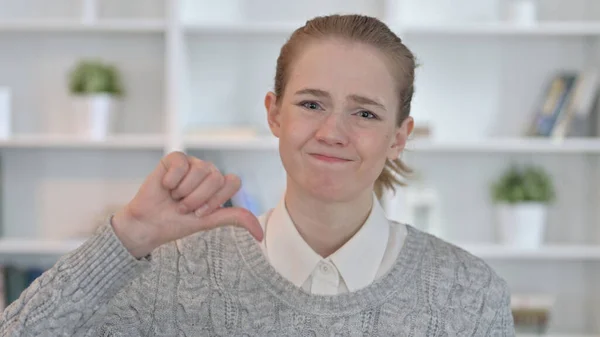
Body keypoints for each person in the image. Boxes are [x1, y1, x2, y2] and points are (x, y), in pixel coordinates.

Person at [0, 14, 515, 336]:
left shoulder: (466, 294)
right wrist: (127, 236)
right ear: (274, 113)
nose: (333, 132)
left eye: (365, 113)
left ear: (399, 136)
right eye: (312, 103)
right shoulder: (178, 276)